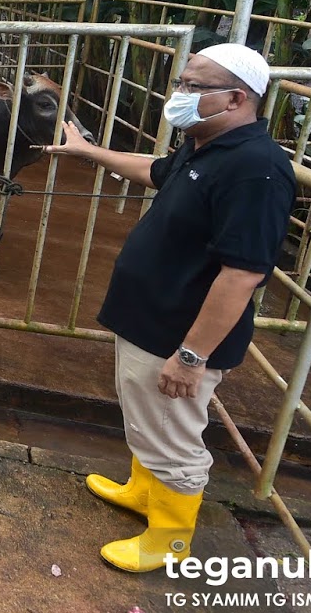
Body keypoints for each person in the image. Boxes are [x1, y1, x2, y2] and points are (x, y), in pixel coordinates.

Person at [44, 42, 295, 572]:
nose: (179, 94)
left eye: (193, 87)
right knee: (147, 419)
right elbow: (155, 171)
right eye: (181, 83)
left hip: (179, 335)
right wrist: (88, 152)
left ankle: (170, 541)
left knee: (174, 436)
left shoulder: (257, 169)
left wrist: (191, 355)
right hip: (149, 319)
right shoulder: (205, 144)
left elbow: (243, 273)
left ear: (236, 98)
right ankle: (143, 492)